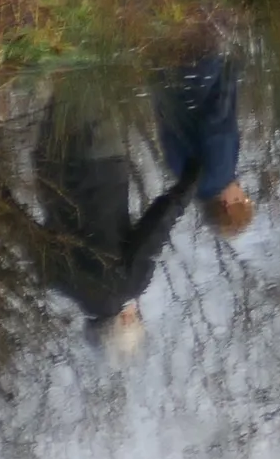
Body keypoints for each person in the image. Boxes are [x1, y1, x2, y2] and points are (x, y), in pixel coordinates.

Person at [34, 83, 190, 349]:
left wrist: (191, 182)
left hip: (99, 163)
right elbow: (18, 227)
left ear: (126, 321)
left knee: (88, 76)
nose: (136, 309)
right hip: (50, 169)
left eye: (137, 317)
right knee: (61, 86)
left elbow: (159, 223)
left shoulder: (128, 286)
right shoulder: (55, 280)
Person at [153, 23, 253, 238]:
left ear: (228, 204)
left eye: (244, 199)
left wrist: (230, 69)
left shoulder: (220, 174)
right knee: (162, 20)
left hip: (200, 73)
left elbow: (218, 120)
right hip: (168, 81)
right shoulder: (186, 181)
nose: (244, 193)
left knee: (194, 14)